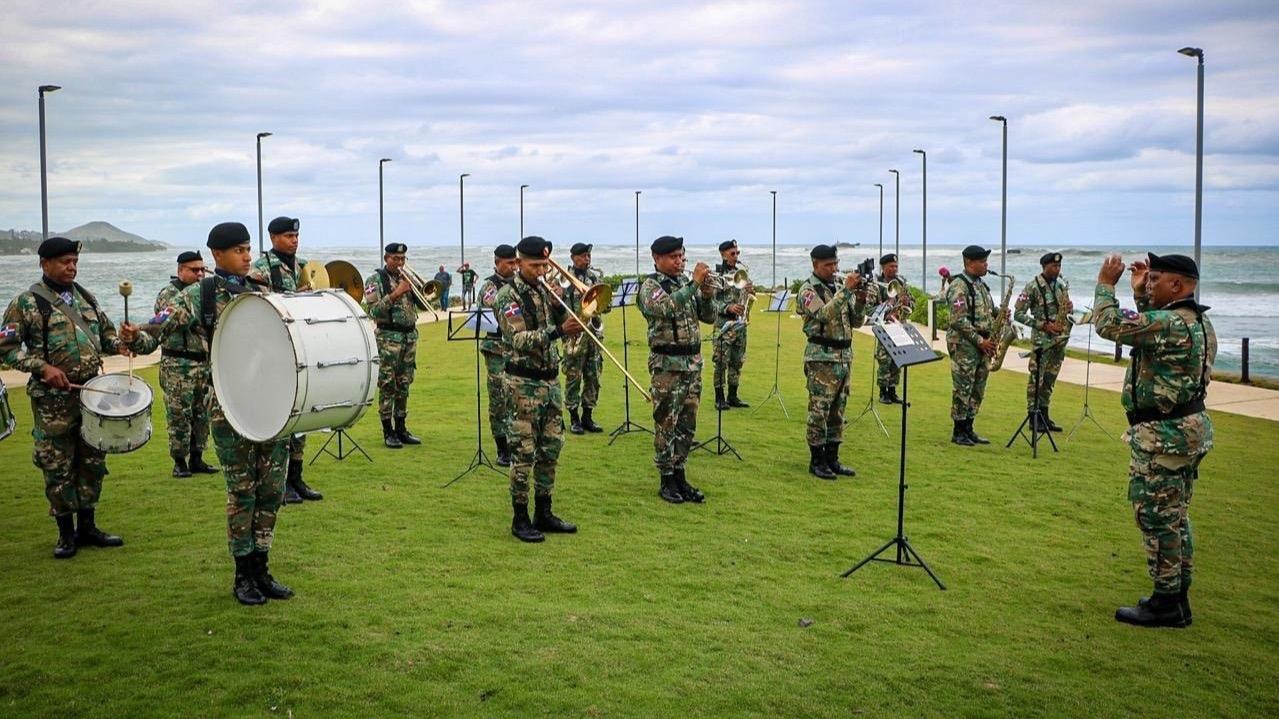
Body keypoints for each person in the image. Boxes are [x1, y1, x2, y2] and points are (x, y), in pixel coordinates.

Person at [0, 237, 157, 559]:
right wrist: (42, 368)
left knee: (92, 461)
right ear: (44, 264)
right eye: (64, 262)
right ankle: (65, 533)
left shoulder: (86, 298)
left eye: (74, 261)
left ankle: (88, 527)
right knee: (56, 464)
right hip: (53, 400)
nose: (71, 267)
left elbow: (106, 337)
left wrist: (124, 341)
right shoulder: (26, 303)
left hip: (92, 395)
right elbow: (7, 348)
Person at [161, 222, 293, 604]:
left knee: (271, 489)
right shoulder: (198, 295)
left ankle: (262, 567)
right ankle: (242, 574)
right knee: (242, 490)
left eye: (248, 249)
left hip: (270, 402)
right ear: (217, 255)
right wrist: (135, 336)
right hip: (229, 407)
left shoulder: (262, 292)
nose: (247, 256)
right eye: (239, 250)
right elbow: (161, 326)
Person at [1094, 253, 1215, 629]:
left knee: (1156, 516)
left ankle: (1166, 603)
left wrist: (1106, 284)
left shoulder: (1171, 324)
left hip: (1163, 436)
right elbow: (1152, 329)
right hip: (1185, 430)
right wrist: (1141, 295)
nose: (1149, 283)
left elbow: (1109, 325)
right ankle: (1176, 597)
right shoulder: (1195, 321)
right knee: (1175, 516)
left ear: (1177, 285)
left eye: (1156, 279)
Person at [494, 236, 583, 542]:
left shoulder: (545, 290)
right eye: (535, 265)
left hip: (550, 382)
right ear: (519, 263)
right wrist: (558, 330)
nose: (542, 271)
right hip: (522, 384)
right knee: (523, 452)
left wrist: (563, 307)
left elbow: (568, 323)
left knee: (550, 449)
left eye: (545, 265)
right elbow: (518, 339)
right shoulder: (507, 295)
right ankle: (520, 518)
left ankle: (544, 512)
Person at [637, 235, 718, 504]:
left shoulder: (685, 283)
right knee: (666, 422)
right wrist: (694, 284)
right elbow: (667, 308)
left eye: (681, 256)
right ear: (657, 258)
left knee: (687, 423)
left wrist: (707, 295)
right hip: (667, 366)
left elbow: (709, 317)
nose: (679, 261)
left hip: (692, 363)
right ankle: (666, 478)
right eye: (673, 257)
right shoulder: (651, 286)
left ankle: (680, 473)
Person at [248, 216, 321, 504]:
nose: (294, 240)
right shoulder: (261, 269)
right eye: (289, 236)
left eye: (296, 236)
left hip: (301, 349)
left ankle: (296, 478)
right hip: (274, 351)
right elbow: (259, 307)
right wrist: (294, 297)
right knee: (280, 418)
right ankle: (278, 484)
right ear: (273, 237)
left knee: (300, 417)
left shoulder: (304, 267)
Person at [796, 244, 868, 479]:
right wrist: (846, 291)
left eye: (835, 263)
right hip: (822, 358)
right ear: (815, 264)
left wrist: (860, 300)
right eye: (828, 265)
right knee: (820, 410)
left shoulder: (837, 288)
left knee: (838, 410)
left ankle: (832, 458)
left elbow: (856, 322)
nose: (834, 268)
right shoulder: (808, 290)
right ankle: (817, 461)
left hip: (844, 357)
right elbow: (823, 314)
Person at [152, 250, 217, 478]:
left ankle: (197, 457)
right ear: (180, 271)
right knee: (179, 415)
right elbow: (169, 322)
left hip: (203, 362)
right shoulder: (169, 295)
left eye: (202, 269)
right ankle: (179, 461)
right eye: (193, 270)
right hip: (177, 363)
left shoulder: (205, 293)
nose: (199, 274)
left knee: (202, 414)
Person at [364, 243, 422, 449]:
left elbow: (424, 302)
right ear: (386, 258)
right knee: (388, 384)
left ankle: (401, 428)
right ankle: (388, 430)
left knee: (404, 383)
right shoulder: (375, 280)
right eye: (395, 259)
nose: (399, 263)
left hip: (409, 338)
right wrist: (397, 292)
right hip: (388, 339)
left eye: (403, 259)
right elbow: (373, 311)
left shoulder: (406, 279)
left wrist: (416, 288)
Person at [945, 245, 999, 446]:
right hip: (965, 345)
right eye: (982, 261)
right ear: (969, 262)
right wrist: (980, 341)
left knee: (978, 389)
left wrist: (999, 313)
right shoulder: (959, 286)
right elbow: (957, 320)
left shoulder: (981, 285)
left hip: (983, 344)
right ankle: (958, 431)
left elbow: (987, 310)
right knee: (963, 388)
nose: (986, 265)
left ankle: (969, 428)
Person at [1014, 252, 1073, 431]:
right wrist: (1043, 325)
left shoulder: (1060, 286)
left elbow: (1065, 311)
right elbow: (1018, 314)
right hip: (1042, 342)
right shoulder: (1032, 287)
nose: (1057, 269)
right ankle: (1033, 418)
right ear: (1044, 266)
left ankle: (1044, 417)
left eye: (1059, 266)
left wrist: (1069, 309)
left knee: (1049, 380)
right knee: (1036, 380)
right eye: (1054, 266)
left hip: (1058, 341)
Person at [561, 242, 608, 434]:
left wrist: (601, 300)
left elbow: (605, 305)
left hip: (593, 333)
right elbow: (558, 306)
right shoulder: (564, 279)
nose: (587, 259)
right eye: (583, 256)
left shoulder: (594, 277)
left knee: (593, 376)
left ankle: (588, 416)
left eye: (588, 256)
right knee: (574, 377)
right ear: (573, 258)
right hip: (574, 334)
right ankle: (574, 417)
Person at [479, 244, 518, 466]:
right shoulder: (490, 286)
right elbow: (496, 307)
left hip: (516, 348)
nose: (514, 267)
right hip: (496, 348)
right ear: (497, 263)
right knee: (498, 398)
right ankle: (502, 447)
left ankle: (516, 442)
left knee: (516, 396)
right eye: (509, 263)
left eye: (515, 262)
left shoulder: (517, 284)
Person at [711, 239, 753, 410]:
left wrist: (749, 291)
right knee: (721, 362)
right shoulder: (717, 276)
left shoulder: (741, 274)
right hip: (723, 325)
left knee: (737, 361)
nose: (736, 256)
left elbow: (746, 297)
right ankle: (719, 397)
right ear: (723, 255)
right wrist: (728, 307)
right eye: (732, 253)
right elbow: (711, 302)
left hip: (740, 325)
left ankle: (733, 396)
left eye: (737, 253)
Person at [871, 253, 915, 405]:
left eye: (896, 266)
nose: (894, 269)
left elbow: (912, 304)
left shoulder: (901, 283)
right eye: (891, 266)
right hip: (884, 326)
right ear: (883, 268)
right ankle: (883, 392)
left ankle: (892, 391)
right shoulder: (876, 285)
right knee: (884, 360)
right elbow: (870, 308)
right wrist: (887, 310)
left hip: (899, 326)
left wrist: (907, 303)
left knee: (897, 359)